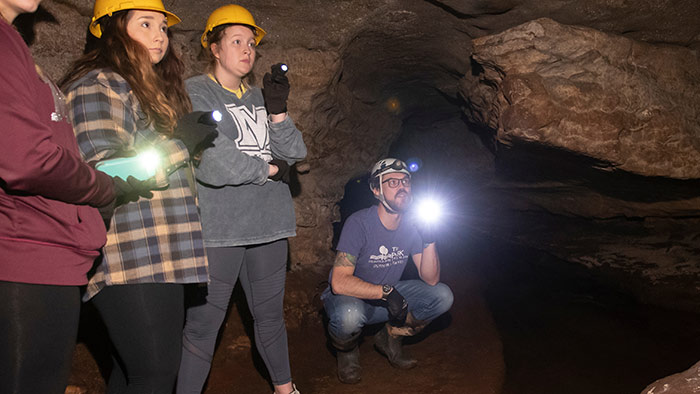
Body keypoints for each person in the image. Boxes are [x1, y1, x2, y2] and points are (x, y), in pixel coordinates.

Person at [59, 0, 218, 392]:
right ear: (113, 29)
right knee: (156, 374)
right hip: (129, 255)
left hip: (157, 253)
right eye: (145, 24)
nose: (159, 36)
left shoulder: (141, 89)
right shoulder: (98, 84)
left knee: (134, 373)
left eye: (163, 27)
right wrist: (180, 145)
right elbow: (104, 171)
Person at [176, 5, 307, 394]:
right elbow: (213, 163)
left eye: (251, 43)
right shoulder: (196, 90)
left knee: (269, 318)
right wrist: (268, 169)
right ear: (214, 48)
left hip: (269, 225)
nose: (247, 49)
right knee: (203, 324)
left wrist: (278, 112)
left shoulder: (259, 96)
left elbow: (296, 152)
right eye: (236, 41)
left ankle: (286, 390)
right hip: (221, 229)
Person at [0, 1, 116, 393]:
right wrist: (102, 187)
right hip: (26, 249)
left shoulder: (11, 42)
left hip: (42, 248)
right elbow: (26, 160)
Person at [321, 158, 454, 384]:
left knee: (442, 296)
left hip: (385, 300)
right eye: (392, 182)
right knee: (349, 317)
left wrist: (429, 239)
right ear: (376, 190)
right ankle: (347, 351)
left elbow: (431, 279)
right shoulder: (359, 223)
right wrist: (387, 293)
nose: (402, 187)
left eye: (405, 182)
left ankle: (390, 336)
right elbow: (340, 283)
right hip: (351, 299)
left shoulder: (413, 225)